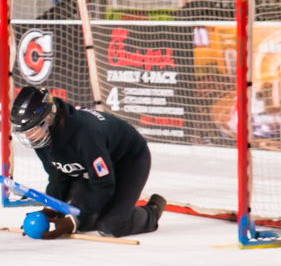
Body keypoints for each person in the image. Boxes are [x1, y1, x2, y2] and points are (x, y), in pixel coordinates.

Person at [9, 86, 165, 238]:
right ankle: (99, 212)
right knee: (77, 219)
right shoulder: (42, 137)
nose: (29, 136)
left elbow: (103, 184)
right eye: (24, 130)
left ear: (49, 118)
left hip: (129, 159)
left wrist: (73, 220)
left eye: (32, 129)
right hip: (94, 162)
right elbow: (58, 174)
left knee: (111, 226)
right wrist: (51, 208)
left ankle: (152, 211)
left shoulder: (85, 135)